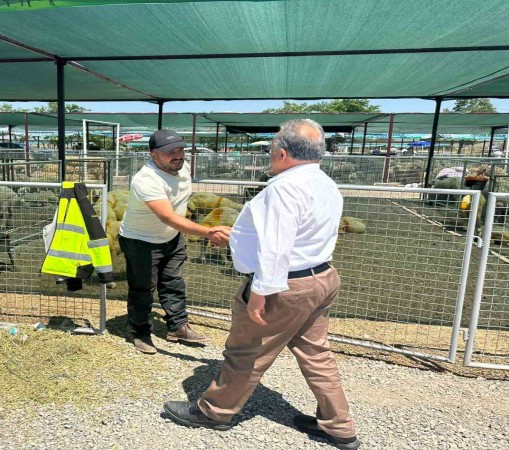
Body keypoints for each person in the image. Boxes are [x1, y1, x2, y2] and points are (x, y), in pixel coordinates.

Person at [163, 119, 360, 450]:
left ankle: (214, 412)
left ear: (282, 153)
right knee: (316, 353)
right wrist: (241, 237)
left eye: (272, 150)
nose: (270, 155)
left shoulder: (283, 188)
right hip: (321, 277)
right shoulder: (325, 183)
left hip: (286, 285)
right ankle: (339, 425)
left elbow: (277, 246)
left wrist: (260, 292)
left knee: (247, 351)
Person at [119, 129, 230, 354]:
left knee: (173, 282)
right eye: (170, 152)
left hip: (172, 236)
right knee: (143, 288)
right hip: (141, 241)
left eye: (180, 150)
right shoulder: (146, 180)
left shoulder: (182, 167)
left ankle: (178, 327)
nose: (178, 155)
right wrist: (208, 232)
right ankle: (140, 332)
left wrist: (184, 230)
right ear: (154, 155)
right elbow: (167, 216)